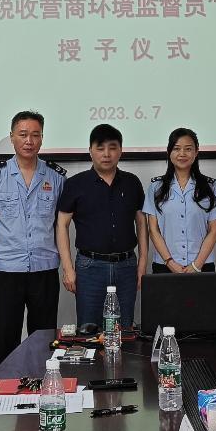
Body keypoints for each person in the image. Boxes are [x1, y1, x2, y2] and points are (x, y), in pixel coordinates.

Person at [0, 110, 66, 366]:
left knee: (44, 336)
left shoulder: (56, 177)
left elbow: (61, 222)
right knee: (7, 336)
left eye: (35, 135)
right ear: (12, 137)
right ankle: (7, 386)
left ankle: (44, 384)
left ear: (42, 138)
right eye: (23, 134)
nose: (29, 141)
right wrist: (7, 239)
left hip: (44, 267)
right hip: (7, 268)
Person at [56, 123, 147, 328]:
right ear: (90, 151)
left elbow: (142, 224)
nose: (106, 154)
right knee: (89, 330)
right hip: (89, 267)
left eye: (112, 147)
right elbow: (61, 225)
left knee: (124, 329)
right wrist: (68, 268)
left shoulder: (132, 182)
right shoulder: (75, 184)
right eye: (100, 148)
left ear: (120, 150)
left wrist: (142, 263)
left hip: (126, 267)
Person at [143, 128, 216, 274]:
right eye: (176, 148)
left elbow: (214, 231)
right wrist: (170, 262)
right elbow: (153, 229)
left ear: (196, 152)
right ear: (169, 152)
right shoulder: (156, 187)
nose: (182, 153)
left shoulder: (210, 187)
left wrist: (196, 265)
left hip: (202, 265)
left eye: (188, 149)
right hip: (164, 265)